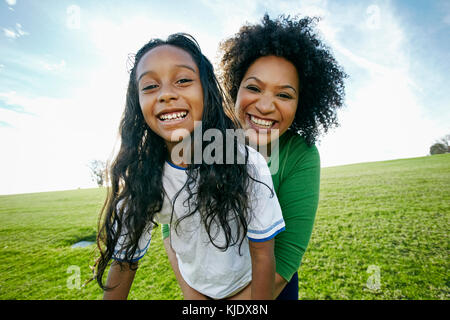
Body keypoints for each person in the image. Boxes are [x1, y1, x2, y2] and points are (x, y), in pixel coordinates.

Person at [163, 14, 346, 300]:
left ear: (302, 102)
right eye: (253, 88)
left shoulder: (301, 155)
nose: (264, 105)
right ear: (234, 87)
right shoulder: (202, 138)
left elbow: (284, 258)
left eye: (284, 95)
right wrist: (194, 297)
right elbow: (171, 222)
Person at [93, 33, 285, 300]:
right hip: (195, 289)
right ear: (137, 104)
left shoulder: (246, 163)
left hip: (246, 286)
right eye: (149, 86)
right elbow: (124, 263)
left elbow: (263, 254)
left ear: (206, 91)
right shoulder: (141, 177)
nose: (167, 94)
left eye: (183, 80)